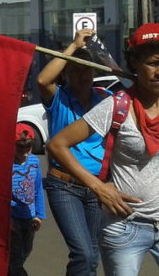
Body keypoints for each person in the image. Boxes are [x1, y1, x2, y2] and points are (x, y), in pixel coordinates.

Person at [48, 23, 159, 275]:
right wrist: (99, 187)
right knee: (85, 255)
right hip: (125, 226)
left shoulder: (99, 96)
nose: (158, 71)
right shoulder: (114, 105)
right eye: (152, 63)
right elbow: (56, 144)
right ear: (134, 65)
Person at [36, 28, 108, 276]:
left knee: (92, 255)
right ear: (66, 73)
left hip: (97, 186)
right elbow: (43, 80)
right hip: (64, 185)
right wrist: (73, 47)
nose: (81, 74)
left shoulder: (105, 99)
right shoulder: (58, 97)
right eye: (75, 69)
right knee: (83, 253)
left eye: (86, 68)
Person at [10, 124, 45, 276]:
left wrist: (39, 214)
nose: (24, 154)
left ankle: (10, 269)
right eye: (20, 150)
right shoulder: (6, 163)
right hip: (12, 217)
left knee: (27, 248)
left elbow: (37, 189)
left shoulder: (34, 162)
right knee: (16, 252)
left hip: (30, 216)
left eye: (28, 150)